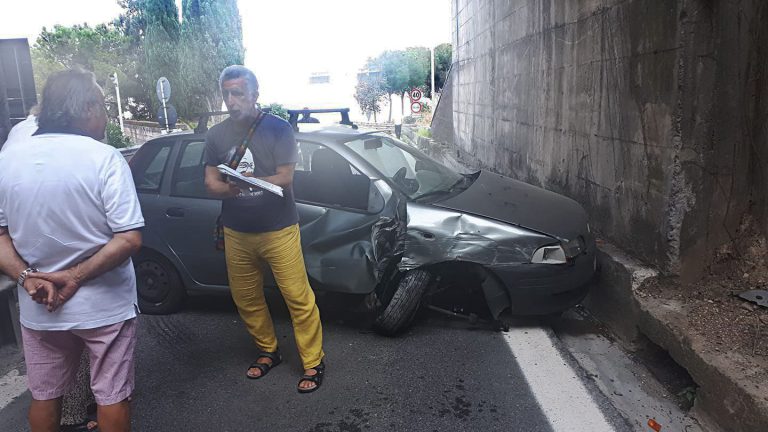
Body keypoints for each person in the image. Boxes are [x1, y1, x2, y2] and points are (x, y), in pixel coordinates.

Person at [0, 68, 144, 432]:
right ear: (88, 108)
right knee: (112, 396)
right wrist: (75, 276)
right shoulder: (105, 158)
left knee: (45, 395)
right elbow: (129, 239)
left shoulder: (8, 160)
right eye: (104, 107)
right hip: (104, 309)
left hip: (39, 306)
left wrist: (27, 278)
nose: (107, 117)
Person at [203, 65, 326, 393]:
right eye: (227, 93)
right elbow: (210, 182)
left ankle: (313, 362)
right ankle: (268, 351)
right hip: (237, 231)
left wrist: (250, 181)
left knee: (297, 297)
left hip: (279, 228)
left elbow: (286, 177)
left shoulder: (277, 129)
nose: (231, 100)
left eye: (238, 93)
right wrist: (231, 189)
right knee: (246, 298)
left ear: (255, 94)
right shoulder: (216, 135)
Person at [1, 108, 100, 432]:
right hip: (85, 280)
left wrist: (26, 276)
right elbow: (123, 236)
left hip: (35, 280)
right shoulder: (75, 148)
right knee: (95, 360)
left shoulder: (14, 147)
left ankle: (74, 412)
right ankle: (84, 411)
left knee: (45, 386)